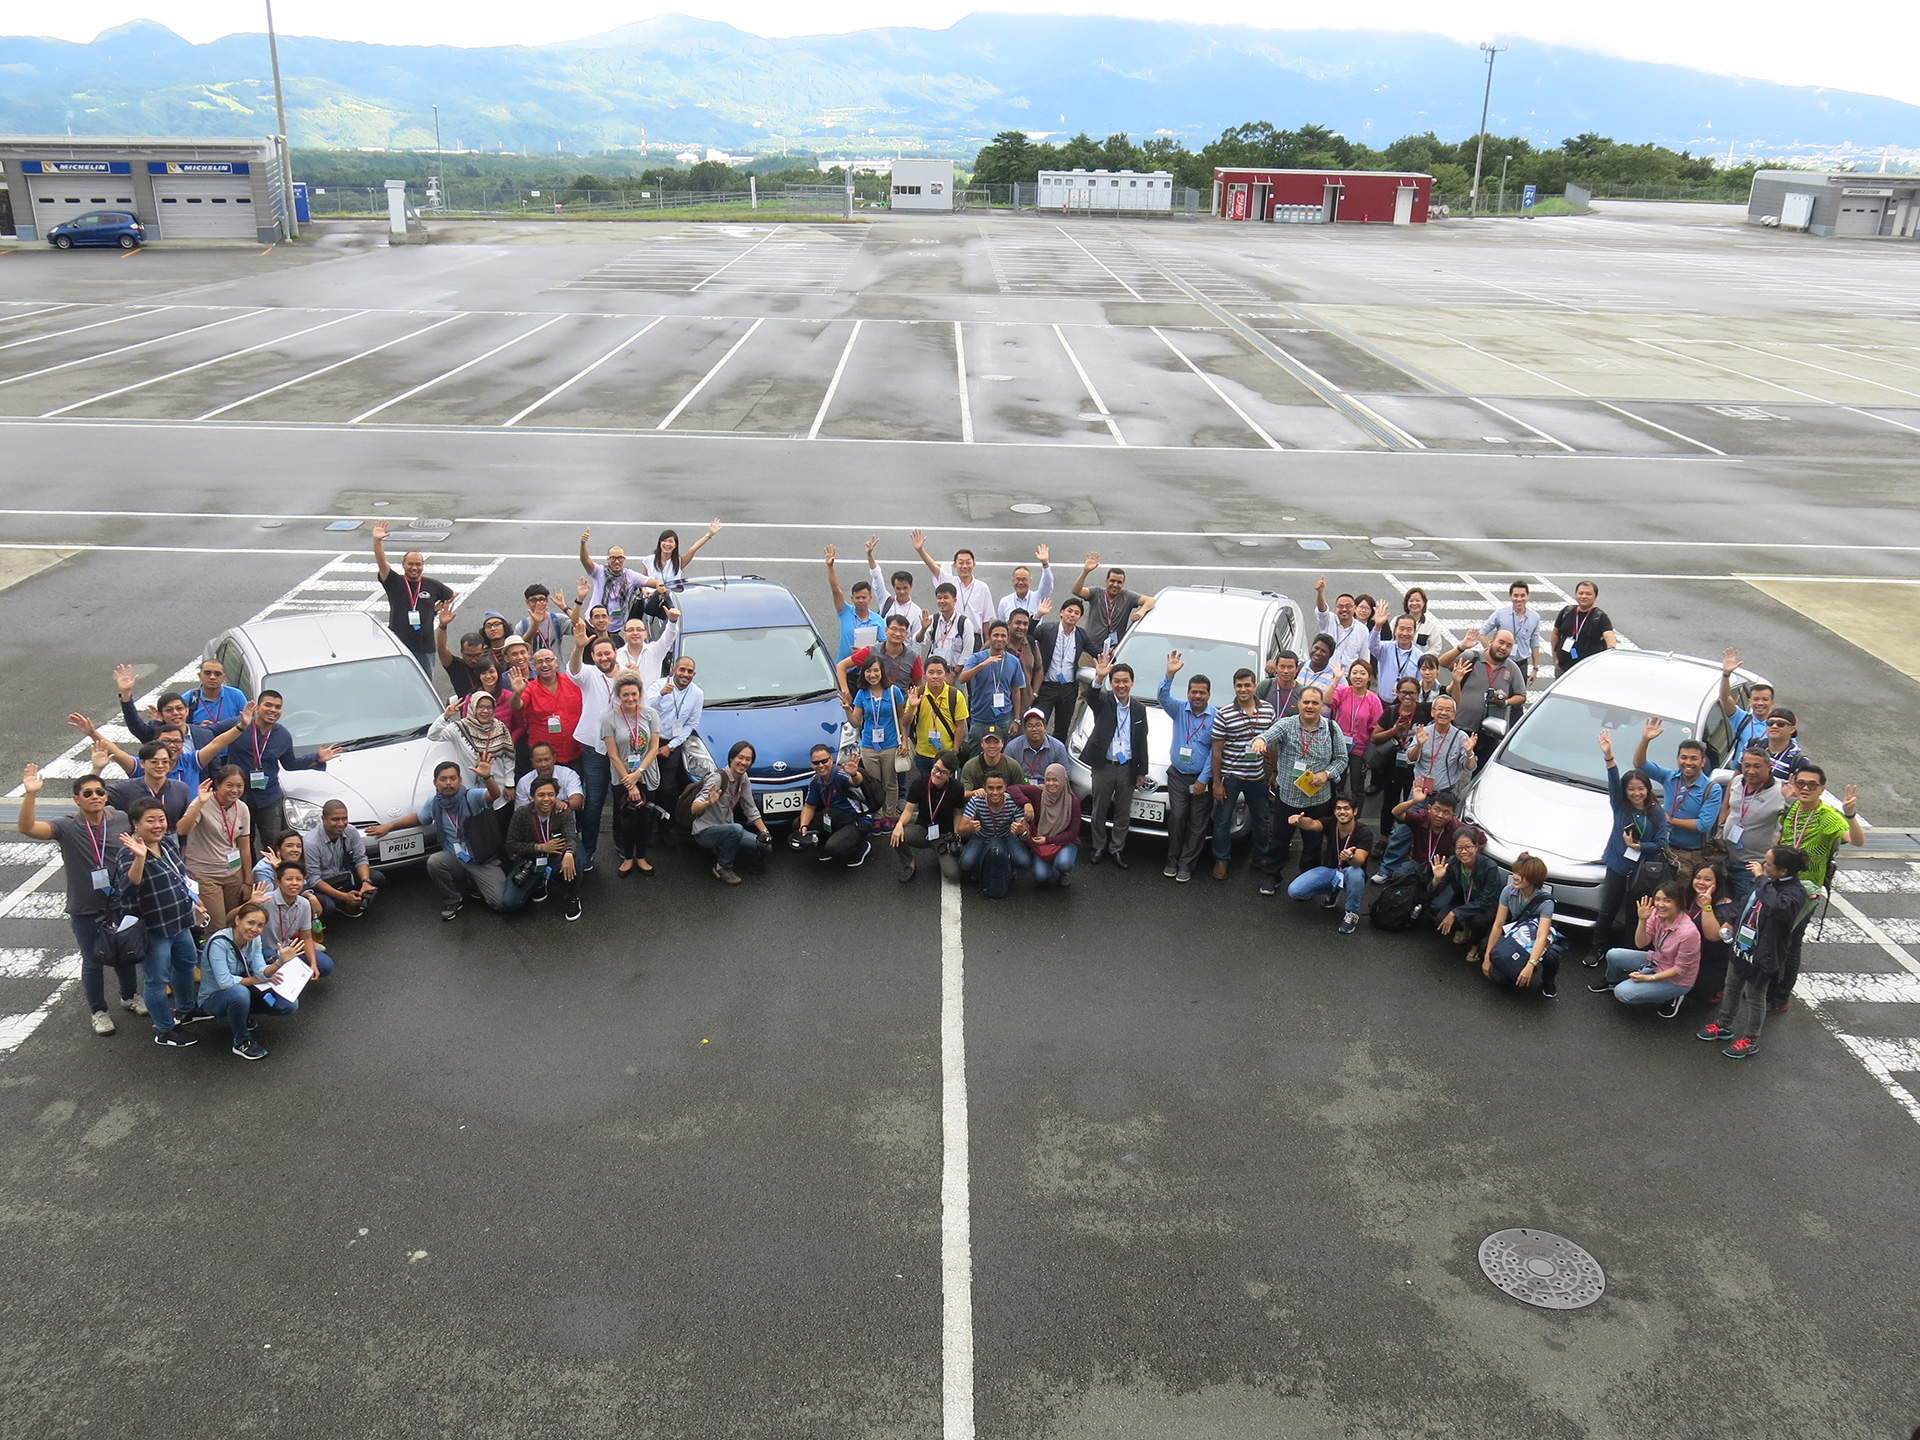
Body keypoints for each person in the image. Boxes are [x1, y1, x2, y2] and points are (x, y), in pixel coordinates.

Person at [17, 765, 139, 1036]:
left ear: (106, 796)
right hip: (85, 905)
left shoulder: (121, 818)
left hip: (120, 902)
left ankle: (129, 996)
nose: (94, 795)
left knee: (126, 953)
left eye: (99, 791)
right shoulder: (66, 826)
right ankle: (98, 1011)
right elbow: (26, 828)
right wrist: (30, 794)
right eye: (87, 793)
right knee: (93, 959)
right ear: (77, 799)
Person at [112, 795, 209, 1047]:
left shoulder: (166, 843)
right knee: (157, 979)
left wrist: (194, 899)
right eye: (150, 821)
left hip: (179, 920)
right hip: (154, 928)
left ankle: (186, 1009)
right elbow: (128, 887)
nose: (158, 825)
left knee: (187, 963)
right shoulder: (128, 852)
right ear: (135, 824)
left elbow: (180, 876)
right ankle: (165, 1030)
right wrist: (140, 858)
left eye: (161, 819)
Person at [1697, 846, 1811, 1059]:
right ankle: (1724, 1024)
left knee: (1755, 996)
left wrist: (1761, 879)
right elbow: (1744, 903)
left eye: (1768, 864)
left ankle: (1750, 1038)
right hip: (1741, 945)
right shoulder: (1765, 882)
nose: (1762, 866)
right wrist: (1731, 922)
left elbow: (1777, 906)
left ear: (1783, 871)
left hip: (1764, 953)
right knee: (1731, 986)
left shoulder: (1794, 893)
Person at [1769, 763, 1863, 1013]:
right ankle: (1769, 987)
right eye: (1801, 783)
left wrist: (1850, 815)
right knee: (1775, 936)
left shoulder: (1829, 817)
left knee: (1792, 941)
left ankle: (1780, 997)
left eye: (1813, 784)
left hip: (1805, 890)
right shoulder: (1793, 808)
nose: (1806, 788)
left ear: (1822, 789)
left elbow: (1857, 841)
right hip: (1779, 883)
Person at [374, 759, 505, 921]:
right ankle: (453, 900)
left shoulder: (471, 796)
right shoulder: (433, 803)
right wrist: (389, 826)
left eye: (452, 778)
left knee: (500, 903)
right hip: (455, 859)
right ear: (435, 782)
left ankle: (475, 881)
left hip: (482, 860)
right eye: (443, 779)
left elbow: (494, 794)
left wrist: (487, 777)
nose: (448, 783)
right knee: (435, 861)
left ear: (460, 780)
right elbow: (420, 818)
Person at [1249, 685, 1349, 895]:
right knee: (1279, 840)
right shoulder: (1287, 725)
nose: (1310, 706)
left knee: (1313, 844)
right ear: (1298, 704)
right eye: (1306, 702)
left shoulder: (1332, 728)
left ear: (1322, 705)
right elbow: (1267, 736)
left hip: (1319, 799)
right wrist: (1259, 741)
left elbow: (1342, 759)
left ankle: (1308, 879)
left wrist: (1326, 774)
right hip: (1288, 798)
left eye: (1315, 702)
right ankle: (1272, 875)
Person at [1586, 730, 1672, 967]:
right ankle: (1598, 947)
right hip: (1617, 865)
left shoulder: (1656, 813)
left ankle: (1627, 953)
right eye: (1631, 789)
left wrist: (1637, 846)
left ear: (1648, 789)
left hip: (1642, 872)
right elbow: (1613, 781)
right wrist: (1608, 755)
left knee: (1636, 915)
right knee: (1607, 910)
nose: (1636, 793)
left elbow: (1661, 845)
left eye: (1640, 789)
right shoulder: (1620, 807)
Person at [219, 688, 340, 840]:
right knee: (242, 842)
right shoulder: (239, 724)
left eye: (278, 707)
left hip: (268, 797)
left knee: (273, 842)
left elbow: (290, 764)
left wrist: (317, 758)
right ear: (257, 707)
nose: (273, 710)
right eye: (268, 705)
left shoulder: (283, 735)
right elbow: (209, 733)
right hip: (239, 796)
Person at [1632, 718, 1725, 881]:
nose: (1688, 763)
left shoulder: (1712, 789)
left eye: (1694, 758)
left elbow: (1703, 825)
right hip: (1662, 848)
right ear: (1678, 759)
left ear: (1703, 762)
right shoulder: (1669, 777)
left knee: (1677, 899)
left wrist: (1668, 819)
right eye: (1684, 757)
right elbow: (1639, 764)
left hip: (1689, 855)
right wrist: (1645, 740)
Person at [1080, 655, 1150, 869]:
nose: (1121, 685)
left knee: (1122, 812)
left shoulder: (1138, 708)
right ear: (1112, 683)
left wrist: (1142, 771)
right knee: (1099, 810)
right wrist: (1098, 678)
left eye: (1125, 681)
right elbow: (1091, 696)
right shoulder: (1104, 702)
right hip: (1104, 766)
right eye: (1116, 681)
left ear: (1132, 682)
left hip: (1127, 768)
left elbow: (1141, 741)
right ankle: (1098, 846)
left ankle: (1117, 849)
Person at [1590, 883, 1700, 1017]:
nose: (1660, 904)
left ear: (1679, 903)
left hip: (1677, 979)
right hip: (1657, 960)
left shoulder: (1688, 933)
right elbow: (1641, 943)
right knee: (1614, 954)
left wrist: (1649, 978)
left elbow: (1679, 969)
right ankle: (1612, 981)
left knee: (1622, 993)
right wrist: (1642, 920)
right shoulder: (1656, 913)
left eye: (1667, 900)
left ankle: (1673, 995)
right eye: (1658, 899)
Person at [1209, 668, 1275, 882]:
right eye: (1239, 685)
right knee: (1222, 821)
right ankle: (1221, 860)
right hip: (1232, 776)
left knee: (1262, 820)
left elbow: (1272, 742)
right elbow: (1217, 751)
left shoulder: (1268, 710)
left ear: (1255, 686)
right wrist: (1217, 782)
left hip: (1257, 776)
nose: (1243, 689)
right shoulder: (1225, 713)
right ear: (1234, 687)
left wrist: (1274, 770)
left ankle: (1260, 856)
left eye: (1247, 685)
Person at [196, 902, 283, 1062]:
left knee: (288, 1005)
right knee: (239, 993)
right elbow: (225, 982)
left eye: (260, 925)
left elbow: (259, 970)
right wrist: (258, 979)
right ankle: (241, 1041)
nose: (255, 929)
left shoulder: (255, 939)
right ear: (237, 920)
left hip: (242, 988)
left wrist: (279, 963)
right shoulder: (218, 943)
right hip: (213, 998)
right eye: (250, 922)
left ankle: (242, 1014)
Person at [1157, 650, 1216, 883]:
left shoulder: (1216, 717)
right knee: (1178, 816)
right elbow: (1162, 697)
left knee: (1196, 823)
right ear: (1188, 693)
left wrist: (1204, 778)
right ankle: (1172, 859)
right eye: (1194, 692)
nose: (1197, 696)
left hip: (1201, 778)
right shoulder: (1179, 709)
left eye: (1202, 692)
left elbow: (1215, 752)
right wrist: (1169, 675)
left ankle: (1186, 865)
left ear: (1209, 694)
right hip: (1178, 775)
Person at [177, 767, 254, 935]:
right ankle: (212, 957)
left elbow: (245, 846)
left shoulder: (242, 808)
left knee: (236, 921)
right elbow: (182, 830)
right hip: (206, 874)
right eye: (229, 785)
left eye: (239, 786)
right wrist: (199, 803)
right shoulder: (202, 803)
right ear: (217, 784)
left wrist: (248, 880)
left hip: (233, 872)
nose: (235, 790)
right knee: (217, 926)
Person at [372, 519, 455, 673]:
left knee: (425, 685)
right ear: (403, 564)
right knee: (401, 681)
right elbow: (382, 564)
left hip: (426, 647)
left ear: (423, 566)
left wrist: (434, 610)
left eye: (418, 564)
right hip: (400, 645)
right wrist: (377, 541)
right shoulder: (394, 583)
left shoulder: (432, 585)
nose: (414, 568)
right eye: (410, 564)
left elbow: (450, 596)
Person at [1286, 794, 1374, 934]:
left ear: (1355, 811)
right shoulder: (1331, 823)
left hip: (1351, 874)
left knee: (1355, 873)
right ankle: (1332, 891)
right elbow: (1313, 824)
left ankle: (1351, 913)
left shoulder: (1364, 832)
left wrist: (1350, 856)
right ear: (1334, 811)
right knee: (1295, 891)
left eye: (1347, 808)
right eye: (1338, 808)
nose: (1342, 812)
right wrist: (1299, 821)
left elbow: (1359, 861)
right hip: (1330, 870)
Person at [603, 672, 662, 877]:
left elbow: (654, 748)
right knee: (627, 818)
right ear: (618, 695)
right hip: (622, 776)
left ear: (640, 693)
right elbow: (613, 755)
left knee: (645, 818)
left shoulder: (650, 715)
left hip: (647, 773)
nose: (630, 699)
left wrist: (639, 773)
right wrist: (630, 783)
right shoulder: (609, 718)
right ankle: (628, 857)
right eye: (625, 694)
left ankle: (642, 857)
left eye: (634, 694)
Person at [1480, 853, 1563, 998]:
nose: (1515, 877)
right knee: (1501, 979)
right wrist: (1488, 957)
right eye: (1515, 872)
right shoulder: (1508, 891)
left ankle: (1548, 979)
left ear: (1534, 878)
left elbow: (1541, 936)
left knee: (1552, 955)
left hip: (1534, 934)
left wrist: (1530, 965)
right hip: (1518, 933)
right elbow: (1498, 925)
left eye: (1521, 874)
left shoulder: (1546, 902)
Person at [841, 658, 915, 820]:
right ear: (864, 674)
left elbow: (902, 719)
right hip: (868, 746)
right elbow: (855, 723)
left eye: (876, 670)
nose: (872, 675)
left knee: (890, 783)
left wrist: (904, 742)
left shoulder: (893, 691)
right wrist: (848, 709)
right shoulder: (862, 694)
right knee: (873, 783)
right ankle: (877, 815)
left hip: (890, 745)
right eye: (868, 671)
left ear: (882, 672)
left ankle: (889, 815)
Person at [692, 741, 772, 884]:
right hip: (705, 831)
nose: (743, 762)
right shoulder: (717, 778)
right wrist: (708, 802)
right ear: (731, 758)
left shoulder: (743, 778)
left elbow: (750, 809)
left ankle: (724, 849)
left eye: (748, 759)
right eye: (740, 757)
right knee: (736, 829)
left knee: (765, 848)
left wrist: (765, 833)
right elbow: (694, 807)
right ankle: (721, 868)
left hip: (727, 828)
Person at [504, 776, 584, 920]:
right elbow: (511, 844)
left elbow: (571, 836)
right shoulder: (521, 814)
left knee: (574, 859)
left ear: (556, 796)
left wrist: (568, 852)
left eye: (551, 795)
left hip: (555, 858)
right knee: (510, 902)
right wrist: (540, 847)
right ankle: (539, 884)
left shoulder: (562, 812)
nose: (546, 799)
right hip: (531, 860)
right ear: (532, 797)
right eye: (541, 795)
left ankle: (572, 897)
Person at [1717, 746, 1785, 905]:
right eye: (1747, 765)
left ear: (1769, 767)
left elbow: (1794, 819)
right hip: (1725, 858)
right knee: (1722, 904)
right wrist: (1722, 822)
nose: (1751, 771)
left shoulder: (1781, 791)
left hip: (1752, 865)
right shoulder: (1736, 782)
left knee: (1744, 907)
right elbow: (1731, 807)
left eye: (1757, 766)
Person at [1440, 630, 1528, 745]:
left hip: (1491, 732)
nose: (1503, 647)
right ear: (1491, 641)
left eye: (1509, 645)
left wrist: (1505, 702)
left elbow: (1522, 696)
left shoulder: (1512, 668)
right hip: (1461, 727)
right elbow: (1443, 662)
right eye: (1501, 642)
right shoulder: (1472, 658)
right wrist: (1461, 647)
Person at [1031, 596, 1099, 739]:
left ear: (1079, 617)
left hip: (1068, 688)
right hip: (1046, 687)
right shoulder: (1047, 629)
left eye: (1076, 613)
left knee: (1062, 728)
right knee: (1037, 723)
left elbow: (1096, 652)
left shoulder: (1081, 635)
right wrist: (1038, 616)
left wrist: (1110, 656)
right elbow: (1029, 635)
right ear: (1061, 612)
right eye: (1070, 611)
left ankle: (1058, 757)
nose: (1072, 615)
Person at [302, 799, 384, 918]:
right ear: (323, 819)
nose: (341, 824)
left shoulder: (351, 831)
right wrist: (344, 896)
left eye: (344, 818)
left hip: (345, 875)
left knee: (377, 878)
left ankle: (351, 899)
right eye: (335, 819)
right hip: (324, 882)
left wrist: (366, 882)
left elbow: (360, 859)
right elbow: (314, 879)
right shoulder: (311, 842)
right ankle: (340, 902)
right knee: (328, 907)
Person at [893, 750, 965, 883]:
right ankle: (909, 863)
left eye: (943, 772)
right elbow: (909, 810)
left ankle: (942, 854)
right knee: (897, 836)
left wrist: (956, 835)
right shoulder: (920, 783)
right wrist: (899, 824)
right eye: (936, 768)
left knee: (953, 875)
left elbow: (958, 812)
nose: (937, 774)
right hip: (922, 829)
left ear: (950, 774)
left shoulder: (957, 788)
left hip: (943, 835)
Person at [795, 746, 874, 866]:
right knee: (798, 823)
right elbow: (809, 807)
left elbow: (856, 781)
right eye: (816, 763)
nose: (821, 765)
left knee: (834, 847)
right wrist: (803, 826)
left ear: (831, 759)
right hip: (836, 817)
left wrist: (854, 774)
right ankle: (827, 844)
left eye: (824, 761)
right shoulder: (815, 781)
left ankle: (861, 847)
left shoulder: (840, 774)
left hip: (858, 820)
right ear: (812, 764)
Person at [511, 649, 585, 775]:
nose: (544, 665)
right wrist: (517, 693)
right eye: (539, 662)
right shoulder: (529, 687)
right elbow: (515, 706)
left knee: (575, 791)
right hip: (543, 757)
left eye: (548, 660)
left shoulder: (573, 682)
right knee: (545, 791)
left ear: (556, 663)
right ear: (534, 667)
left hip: (574, 752)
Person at [1429, 825, 1502, 950]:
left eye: (1468, 847)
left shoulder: (1490, 867)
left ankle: (1476, 945)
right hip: (1464, 899)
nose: (1464, 852)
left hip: (1486, 905)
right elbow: (1436, 890)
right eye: (1459, 848)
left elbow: (1486, 901)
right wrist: (1436, 879)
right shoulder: (1453, 862)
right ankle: (1466, 929)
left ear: (1476, 847)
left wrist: (1455, 913)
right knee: (1440, 918)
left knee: (1478, 921)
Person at [260, 859, 333, 984]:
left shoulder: (304, 903)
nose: (294, 883)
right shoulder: (265, 901)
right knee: (272, 961)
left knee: (325, 966)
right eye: (289, 879)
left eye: (298, 879)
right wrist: (251, 903)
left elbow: (307, 937)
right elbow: (233, 920)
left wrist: (313, 964)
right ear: (279, 882)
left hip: (288, 947)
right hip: (265, 950)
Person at [957, 619, 1028, 747]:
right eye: (996, 635)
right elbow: (962, 678)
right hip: (980, 718)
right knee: (977, 756)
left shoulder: (1014, 661)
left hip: (1004, 718)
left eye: (1003, 636)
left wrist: (1016, 720)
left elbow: (1016, 691)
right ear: (989, 638)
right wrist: (982, 665)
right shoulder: (977, 658)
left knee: (1003, 755)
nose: (999, 639)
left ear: (1007, 639)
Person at [956, 771, 1031, 888]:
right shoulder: (976, 801)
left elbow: (1027, 835)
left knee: (1024, 862)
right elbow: (960, 829)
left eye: (999, 788)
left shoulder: (1013, 802)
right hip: (981, 835)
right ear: (984, 788)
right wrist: (969, 827)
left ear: (1006, 787)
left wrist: (1022, 832)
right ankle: (978, 863)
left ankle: (1006, 866)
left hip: (1006, 835)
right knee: (966, 864)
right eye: (990, 788)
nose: (995, 792)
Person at [430, 691, 516, 791]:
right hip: (469, 791)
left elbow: (508, 758)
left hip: (499, 790)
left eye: (489, 707)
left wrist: (509, 784)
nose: (485, 711)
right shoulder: (459, 728)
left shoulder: (500, 728)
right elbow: (433, 735)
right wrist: (445, 716)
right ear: (473, 707)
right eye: (480, 707)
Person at [911, 529, 994, 632]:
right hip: (951, 634)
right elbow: (933, 567)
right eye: (961, 562)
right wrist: (920, 550)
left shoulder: (982, 587)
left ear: (974, 565)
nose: (964, 566)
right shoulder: (949, 582)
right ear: (955, 565)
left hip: (974, 635)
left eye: (968, 562)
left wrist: (986, 642)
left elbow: (986, 620)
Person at [578, 528, 661, 633]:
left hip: (614, 628)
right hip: (593, 626)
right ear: (608, 559)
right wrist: (583, 544)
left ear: (624, 559)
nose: (617, 562)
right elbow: (585, 560)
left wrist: (659, 587)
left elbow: (653, 582)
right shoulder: (599, 572)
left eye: (620, 558)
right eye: (613, 558)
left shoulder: (630, 576)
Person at [1011, 764, 1080, 887]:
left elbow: (1072, 833)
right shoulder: (1038, 792)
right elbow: (1012, 788)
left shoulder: (1073, 802)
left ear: (1063, 780)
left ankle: (1063, 872)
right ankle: (1043, 860)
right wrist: (1026, 802)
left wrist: (1048, 840)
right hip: (1041, 842)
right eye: (1048, 780)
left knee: (1063, 863)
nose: (1051, 784)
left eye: (1055, 780)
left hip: (1064, 841)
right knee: (1041, 876)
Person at [1324, 658, 1382, 806]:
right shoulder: (1343, 691)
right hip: (1338, 747)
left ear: (1369, 677)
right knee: (1337, 784)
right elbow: (1327, 700)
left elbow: (1375, 730)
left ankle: (1355, 820)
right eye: (1354, 673)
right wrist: (1336, 679)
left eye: (1362, 673)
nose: (1358, 676)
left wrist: (1368, 756)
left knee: (1357, 788)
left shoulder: (1374, 700)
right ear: (1349, 676)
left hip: (1359, 751)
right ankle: (1334, 816)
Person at [1373, 789, 1462, 885]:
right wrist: (1414, 801)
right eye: (1437, 809)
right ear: (1429, 808)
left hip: (1442, 869)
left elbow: (1480, 838)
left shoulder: (1458, 827)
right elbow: (1396, 812)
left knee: (1444, 895)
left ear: (1452, 815)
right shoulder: (1421, 818)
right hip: (1418, 864)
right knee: (1400, 875)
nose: (1440, 815)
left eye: (1446, 812)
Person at [652, 652, 704, 809]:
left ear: (694, 674)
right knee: (647, 783)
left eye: (689, 672)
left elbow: (691, 724)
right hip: (651, 740)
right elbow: (645, 708)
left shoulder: (697, 694)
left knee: (666, 788)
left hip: (672, 743)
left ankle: (664, 827)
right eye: (682, 670)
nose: (685, 674)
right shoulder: (658, 685)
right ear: (674, 670)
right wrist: (661, 695)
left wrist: (671, 746)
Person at [102, 740, 194, 829]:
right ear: (142, 763)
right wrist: (97, 768)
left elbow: (185, 824)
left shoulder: (181, 789)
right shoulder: (125, 788)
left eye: (165, 761)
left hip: (171, 843)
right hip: (135, 842)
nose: (160, 765)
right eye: (154, 762)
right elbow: (92, 796)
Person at [1369, 678, 1423, 827]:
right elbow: (1375, 737)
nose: (1407, 696)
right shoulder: (1391, 711)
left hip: (1415, 764)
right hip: (1392, 762)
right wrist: (1395, 730)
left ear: (1418, 694)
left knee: (1410, 803)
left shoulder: (1424, 710)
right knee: (1389, 801)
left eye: (1412, 693)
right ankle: (1384, 837)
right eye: (1404, 692)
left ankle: (1405, 837)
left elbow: (1450, 704)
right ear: (1398, 693)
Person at [1072, 554, 1153, 651]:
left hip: (1113, 651)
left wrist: (1141, 612)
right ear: (1106, 581)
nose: (1115, 585)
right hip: (1090, 649)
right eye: (1112, 581)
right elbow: (1076, 590)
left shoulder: (1127, 596)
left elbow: (1151, 600)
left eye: (1119, 582)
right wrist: (1085, 571)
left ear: (1123, 584)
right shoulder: (1096, 593)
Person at [1404, 695, 1477, 801]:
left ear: (1453, 715)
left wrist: (1469, 753)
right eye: (1440, 709)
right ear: (1432, 712)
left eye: (1448, 710)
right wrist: (1419, 745)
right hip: (1419, 791)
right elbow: (1410, 759)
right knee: (1411, 817)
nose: (1443, 713)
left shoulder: (1461, 737)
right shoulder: (1423, 732)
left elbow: (1469, 768)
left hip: (1446, 794)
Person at [836, 613, 924, 697]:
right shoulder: (871, 651)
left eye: (902, 630)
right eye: (894, 629)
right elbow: (841, 666)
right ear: (886, 630)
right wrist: (845, 692)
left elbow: (919, 686)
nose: (897, 634)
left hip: (901, 706)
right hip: (873, 705)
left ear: (906, 634)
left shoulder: (913, 657)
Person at [1715, 647, 1777, 763]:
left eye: (1765, 699)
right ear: (1749, 702)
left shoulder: (1778, 727)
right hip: (1739, 776)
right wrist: (1726, 674)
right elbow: (1724, 698)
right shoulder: (1742, 719)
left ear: (1772, 703)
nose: (1760, 703)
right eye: (1756, 699)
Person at [1689, 864, 1737, 1007]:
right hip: (1686, 954)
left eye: (1707, 879)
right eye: (1697, 877)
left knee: (1698, 992)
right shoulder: (1689, 896)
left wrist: (1706, 906)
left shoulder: (1727, 907)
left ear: (1718, 882)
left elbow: (1713, 936)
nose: (1701, 882)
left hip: (1711, 961)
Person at [910, 657, 968, 775]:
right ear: (924, 674)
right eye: (931, 672)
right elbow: (906, 722)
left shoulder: (955, 695)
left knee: (947, 790)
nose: (935, 676)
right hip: (924, 753)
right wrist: (911, 706)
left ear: (945, 674)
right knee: (925, 788)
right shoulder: (918, 693)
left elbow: (960, 726)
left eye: (939, 672)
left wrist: (955, 751)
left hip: (947, 753)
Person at [1480, 581, 1545, 678]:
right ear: (1510, 596)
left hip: (1522, 663)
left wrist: (1535, 668)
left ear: (1528, 597)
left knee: (1519, 692)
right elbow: (1482, 633)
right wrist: (1490, 652)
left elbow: (1534, 643)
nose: (1519, 599)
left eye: (1523, 595)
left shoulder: (1534, 617)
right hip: (1503, 662)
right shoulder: (1500, 614)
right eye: (1516, 595)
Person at [639, 520, 723, 593]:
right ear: (659, 543)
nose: (667, 544)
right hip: (650, 600)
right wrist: (644, 590)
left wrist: (710, 534)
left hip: (670, 600)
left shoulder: (679, 562)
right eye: (664, 541)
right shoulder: (649, 560)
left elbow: (693, 548)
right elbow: (642, 580)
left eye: (670, 541)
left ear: (675, 545)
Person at [1551, 581, 1616, 674]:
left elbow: (1609, 634)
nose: (1583, 596)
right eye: (1580, 593)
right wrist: (1555, 657)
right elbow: (1555, 633)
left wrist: (1611, 649)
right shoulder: (1566, 612)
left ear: (1595, 597)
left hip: (1589, 670)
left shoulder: (1600, 617)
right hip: (1563, 668)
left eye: (1588, 594)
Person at [1313, 577, 1371, 672]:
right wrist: (1320, 592)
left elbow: (1364, 657)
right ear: (1336, 608)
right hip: (1326, 673)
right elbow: (1321, 610)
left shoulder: (1362, 629)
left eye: (1348, 606)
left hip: (1348, 676)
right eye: (1340, 606)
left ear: (1355, 608)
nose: (1344, 609)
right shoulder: (1329, 620)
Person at [921, 582, 979, 673]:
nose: (942, 601)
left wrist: (953, 674)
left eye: (946, 597)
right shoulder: (933, 620)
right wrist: (923, 629)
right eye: (939, 598)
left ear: (954, 600)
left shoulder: (964, 623)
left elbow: (967, 653)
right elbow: (919, 640)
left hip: (955, 673)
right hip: (936, 672)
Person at [436, 609, 494, 697]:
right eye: (469, 655)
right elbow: (441, 648)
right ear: (462, 651)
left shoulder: (490, 666)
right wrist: (442, 626)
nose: (473, 659)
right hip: (465, 708)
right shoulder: (455, 666)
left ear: (483, 651)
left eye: (477, 655)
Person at [514, 742, 584, 811]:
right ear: (532, 762)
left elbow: (577, 801)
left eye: (547, 760)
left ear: (554, 758)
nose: (543, 764)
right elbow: (520, 811)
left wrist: (565, 804)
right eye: (538, 761)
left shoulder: (569, 775)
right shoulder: (523, 782)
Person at [1006, 708, 1069, 783]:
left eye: (1038, 725)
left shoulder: (1058, 747)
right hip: (1021, 787)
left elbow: (1065, 775)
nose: (1034, 729)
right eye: (1030, 726)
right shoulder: (1012, 748)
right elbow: (1006, 776)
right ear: (1025, 729)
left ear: (1045, 728)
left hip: (1048, 788)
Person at [1370, 614, 1424, 699]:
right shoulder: (1385, 647)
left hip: (1406, 704)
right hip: (1383, 701)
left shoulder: (1420, 656)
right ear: (1395, 630)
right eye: (1401, 629)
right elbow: (1372, 645)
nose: (1405, 633)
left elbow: (1420, 683)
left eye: (1409, 630)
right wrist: (1378, 626)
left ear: (1414, 631)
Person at [959, 730, 1025, 796]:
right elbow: (963, 794)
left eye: (996, 742)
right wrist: (974, 793)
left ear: (1002, 744)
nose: (992, 746)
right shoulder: (970, 766)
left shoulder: (1012, 765)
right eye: (988, 742)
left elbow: (1024, 787)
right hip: (979, 803)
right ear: (982, 744)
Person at [998, 547, 1055, 622]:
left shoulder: (1038, 598)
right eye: (1018, 579)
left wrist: (1045, 564)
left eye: (1024, 579)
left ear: (1030, 581)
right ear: (1012, 581)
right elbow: (1002, 626)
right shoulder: (1005, 602)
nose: (1021, 583)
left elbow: (1047, 584)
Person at [515, 581, 570, 655]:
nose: (538, 603)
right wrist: (536, 623)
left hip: (556, 666)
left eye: (541, 599)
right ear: (527, 603)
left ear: (547, 601)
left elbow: (580, 625)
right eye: (533, 600)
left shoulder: (557, 620)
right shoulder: (521, 626)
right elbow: (519, 648)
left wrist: (563, 606)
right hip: (533, 666)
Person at [1759, 708, 1804, 780]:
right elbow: (1738, 773)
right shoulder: (1753, 745)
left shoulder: (1799, 760)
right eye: (1770, 723)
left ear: (1792, 729)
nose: (1774, 726)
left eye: (1781, 724)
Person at [1255, 649, 1301, 716]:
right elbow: (1252, 708)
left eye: (1290, 667)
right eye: (1282, 667)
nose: (1285, 671)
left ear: (1297, 669)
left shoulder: (1301, 693)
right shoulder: (1265, 686)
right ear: (1276, 668)